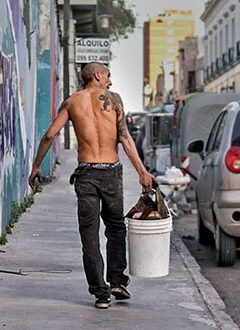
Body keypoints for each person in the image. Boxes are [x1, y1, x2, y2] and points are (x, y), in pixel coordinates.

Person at [28, 62, 153, 309]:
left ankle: (100, 293)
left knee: (89, 234)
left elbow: (50, 135)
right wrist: (142, 172)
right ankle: (117, 281)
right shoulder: (114, 100)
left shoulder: (72, 101)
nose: (110, 82)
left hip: (86, 174)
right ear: (97, 75)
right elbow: (125, 138)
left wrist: (36, 166)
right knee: (115, 228)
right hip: (110, 174)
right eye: (108, 76)